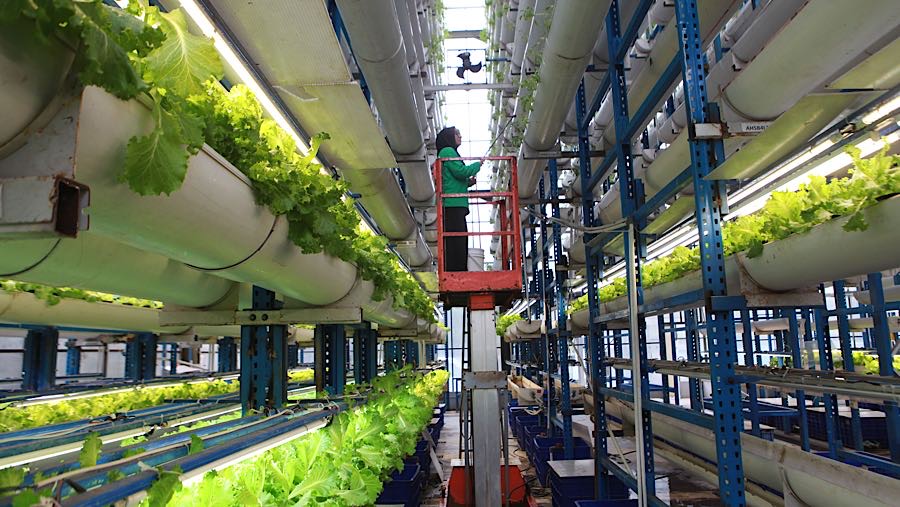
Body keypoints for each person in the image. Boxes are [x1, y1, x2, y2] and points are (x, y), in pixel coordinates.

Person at [436, 126, 481, 272]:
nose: (460, 136)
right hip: (453, 204)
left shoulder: (448, 152)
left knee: (457, 239)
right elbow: (461, 172)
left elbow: (454, 178)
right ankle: (457, 270)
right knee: (457, 240)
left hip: (454, 203)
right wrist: (477, 164)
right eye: (457, 134)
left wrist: (468, 182)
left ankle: (457, 269)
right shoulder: (447, 151)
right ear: (450, 137)